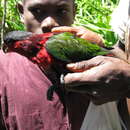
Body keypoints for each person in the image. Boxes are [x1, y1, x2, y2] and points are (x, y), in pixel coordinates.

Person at [0, 0, 107, 130]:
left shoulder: (105, 67)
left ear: (74, 12)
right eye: (37, 11)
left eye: (62, 11)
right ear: (22, 12)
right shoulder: (4, 71)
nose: (49, 23)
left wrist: (105, 51)